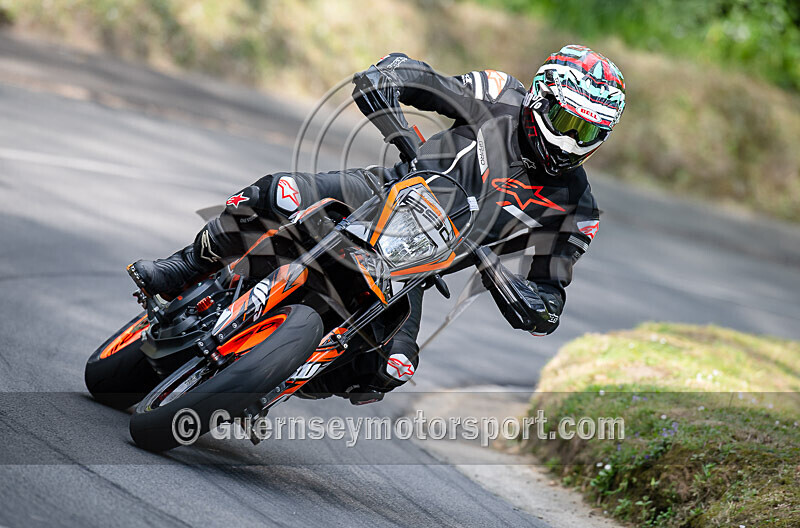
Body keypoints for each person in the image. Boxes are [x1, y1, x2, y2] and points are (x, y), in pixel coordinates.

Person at [128, 44, 626, 403]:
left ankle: (271, 381)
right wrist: (395, 77)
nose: (571, 138)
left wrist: (524, 296)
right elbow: (431, 86)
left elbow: (550, 293)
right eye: (567, 120)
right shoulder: (500, 95)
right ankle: (185, 266)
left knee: (391, 368)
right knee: (277, 192)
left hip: (419, 267)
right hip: (383, 189)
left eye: (588, 130)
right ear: (542, 98)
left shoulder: (577, 208)